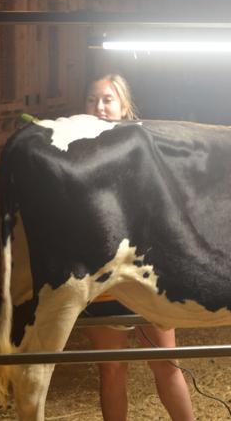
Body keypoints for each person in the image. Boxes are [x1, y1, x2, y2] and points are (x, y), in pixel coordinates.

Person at [82, 74, 195, 421]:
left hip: (146, 276)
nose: (99, 107)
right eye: (92, 100)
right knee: (112, 370)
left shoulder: (145, 153)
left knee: (166, 365)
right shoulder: (76, 155)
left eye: (107, 100)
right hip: (102, 280)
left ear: (125, 107)